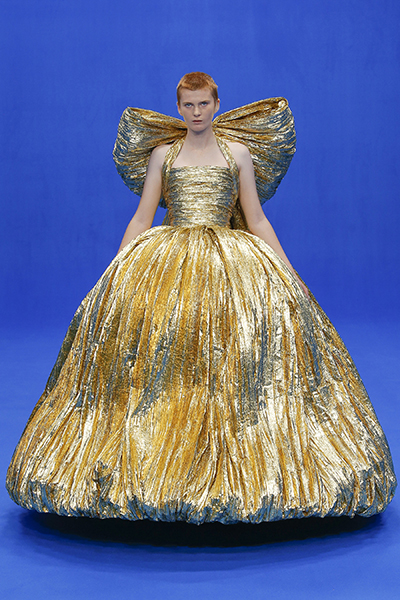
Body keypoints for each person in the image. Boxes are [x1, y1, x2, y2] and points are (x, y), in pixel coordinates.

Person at [6, 72, 396, 524]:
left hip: (231, 263)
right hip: (168, 259)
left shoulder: (237, 154)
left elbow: (256, 219)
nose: (196, 113)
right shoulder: (163, 155)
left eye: (203, 104)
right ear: (178, 108)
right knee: (166, 350)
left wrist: (289, 271)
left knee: (234, 350)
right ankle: (160, 458)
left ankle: (239, 459)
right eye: (188, 105)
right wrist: (117, 268)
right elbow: (142, 218)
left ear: (216, 104)